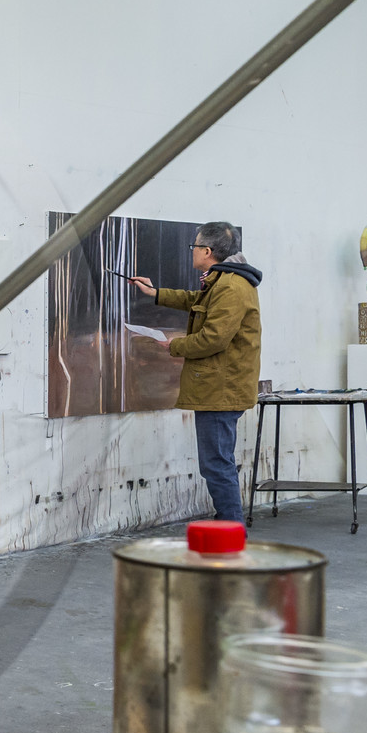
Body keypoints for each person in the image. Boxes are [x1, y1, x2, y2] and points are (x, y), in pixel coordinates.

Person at [131, 222, 262, 522]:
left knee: (216, 464)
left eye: (194, 247)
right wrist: (155, 293)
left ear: (207, 251)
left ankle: (231, 529)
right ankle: (229, 525)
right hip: (218, 388)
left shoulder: (230, 286)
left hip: (221, 390)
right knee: (218, 461)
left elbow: (214, 338)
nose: (192, 252)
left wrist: (174, 345)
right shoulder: (223, 281)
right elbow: (196, 302)